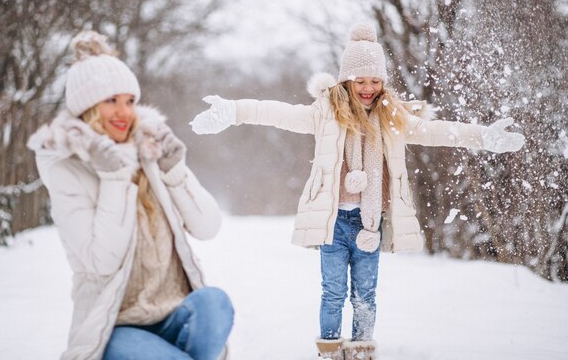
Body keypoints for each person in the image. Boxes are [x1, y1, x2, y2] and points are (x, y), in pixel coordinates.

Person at [189, 23, 524, 360]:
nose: (368, 88)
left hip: (370, 222)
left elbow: (434, 130)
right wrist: (234, 111)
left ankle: (362, 349)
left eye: (375, 80)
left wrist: (482, 137)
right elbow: (277, 112)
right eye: (361, 80)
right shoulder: (325, 113)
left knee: (365, 294)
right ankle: (331, 350)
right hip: (334, 220)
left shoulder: (393, 117)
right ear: (347, 80)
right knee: (333, 292)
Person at [28, 30, 233, 360]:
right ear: (87, 108)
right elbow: (102, 262)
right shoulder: (67, 168)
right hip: (114, 328)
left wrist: (174, 170)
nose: (124, 112)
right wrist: (113, 177)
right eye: (111, 101)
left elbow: (208, 227)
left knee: (215, 303)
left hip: (172, 313)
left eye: (129, 101)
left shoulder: (149, 148)